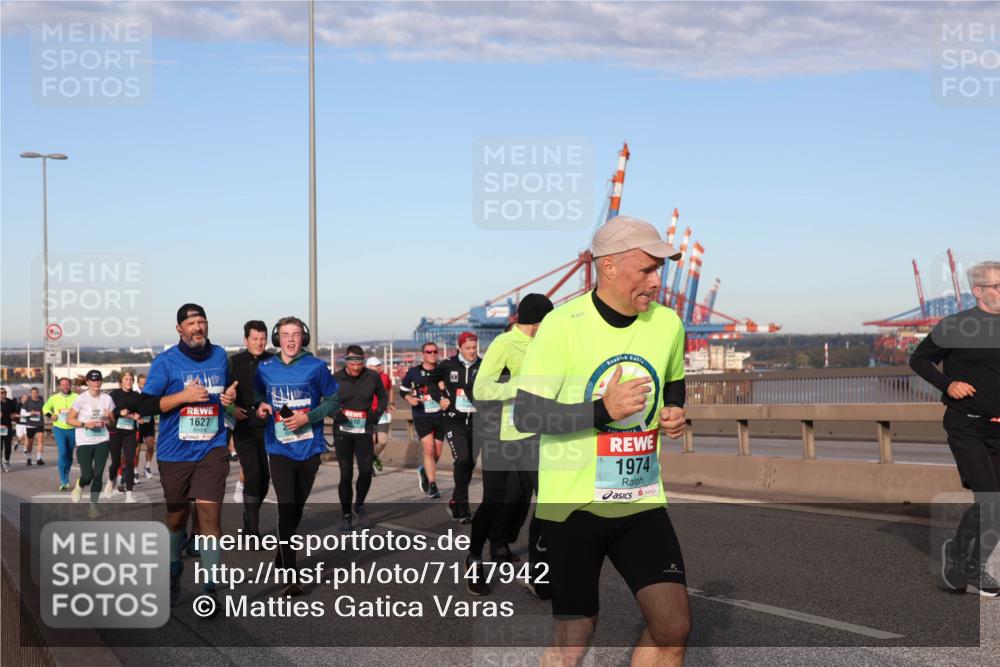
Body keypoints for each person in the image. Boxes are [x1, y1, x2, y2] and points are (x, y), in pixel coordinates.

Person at [512, 216, 690, 665]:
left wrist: (673, 411)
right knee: (574, 636)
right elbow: (527, 413)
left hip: (640, 498)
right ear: (608, 267)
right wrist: (601, 412)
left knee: (673, 627)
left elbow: (673, 380)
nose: (657, 280)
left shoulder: (667, 324)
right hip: (572, 505)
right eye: (647, 269)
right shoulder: (563, 325)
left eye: (659, 270)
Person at [138, 303, 238, 609]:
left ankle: (210, 588)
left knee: (210, 516)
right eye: (191, 323)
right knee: (177, 516)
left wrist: (231, 399)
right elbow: (146, 406)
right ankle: (172, 569)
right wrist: (184, 396)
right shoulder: (166, 362)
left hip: (212, 449)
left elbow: (230, 396)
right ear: (180, 329)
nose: (198, 327)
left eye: (202, 322)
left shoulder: (220, 356)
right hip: (174, 453)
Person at [910, 260, 1000, 597]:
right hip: (968, 426)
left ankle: (961, 556)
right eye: (998, 286)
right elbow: (919, 359)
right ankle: (970, 565)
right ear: (978, 291)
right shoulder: (957, 326)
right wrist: (947, 384)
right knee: (992, 500)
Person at [469, 293, 553, 592]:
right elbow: (481, 389)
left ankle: (539, 571)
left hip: (536, 434)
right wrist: (521, 385)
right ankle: (474, 560)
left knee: (548, 501)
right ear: (538, 322)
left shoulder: (547, 345)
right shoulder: (504, 344)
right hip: (501, 434)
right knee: (494, 502)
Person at [255, 316, 339, 595]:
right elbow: (257, 396)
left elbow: (333, 400)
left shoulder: (316, 367)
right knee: (286, 507)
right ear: (277, 339)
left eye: (295, 334)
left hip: (310, 447)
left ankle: (283, 547)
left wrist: (308, 417)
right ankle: (292, 575)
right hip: (279, 448)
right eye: (284, 334)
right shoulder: (265, 368)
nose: (290, 339)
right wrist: (260, 406)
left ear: (303, 337)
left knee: (298, 507)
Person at [333, 346, 388, 531]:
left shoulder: (372, 377)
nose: (356, 367)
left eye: (359, 363)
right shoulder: (336, 378)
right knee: (346, 473)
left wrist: (377, 414)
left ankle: (360, 505)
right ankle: (346, 514)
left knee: (365, 471)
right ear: (346, 362)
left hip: (364, 429)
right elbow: (325, 400)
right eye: (352, 363)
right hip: (343, 431)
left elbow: (382, 397)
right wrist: (334, 413)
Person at [229, 320, 273, 538]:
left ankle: (249, 515)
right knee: (253, 474)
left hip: (269, 427)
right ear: (246, 340)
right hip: (244, 427)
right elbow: (223, 392)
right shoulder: (234, 362)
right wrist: (231, 408)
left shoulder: (273, 361)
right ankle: (253, 532)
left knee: (265, 479)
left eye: (263, 339)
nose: (259, 343)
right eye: (255, 339)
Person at [438, 332, 481, 523]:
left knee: (470, 464)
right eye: (468, 348)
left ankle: (455, 499)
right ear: (460, 348)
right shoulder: (448, 365)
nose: (472, 352)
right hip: (454, 421)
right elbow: (429, 381)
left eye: (474, 348)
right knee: (462, 459)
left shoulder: (483, 366)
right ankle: (463, 506)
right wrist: (440, 397)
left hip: (476, 422)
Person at [400, 342, 445, 499]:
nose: (432, 354)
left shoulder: (442, 371)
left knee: (437, 453)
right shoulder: (414, 372)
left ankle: (424, 470)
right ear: (423, 354)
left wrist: (443, 387)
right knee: (429, 449)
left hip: (440, 415)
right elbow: (403, 390)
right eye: (428, 352)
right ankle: (433, 485)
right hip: (422, 415)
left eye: (434, 352)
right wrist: (409, 398)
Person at [66, 370, 115, 514]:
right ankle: (80, 484)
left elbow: (112, 423)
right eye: (93, 380)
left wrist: (109, 417)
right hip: (84, 441)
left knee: (98, 474)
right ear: (87, 382)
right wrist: (85, 424)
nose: (97, 383)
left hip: (102, 440)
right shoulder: (81, 399)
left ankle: (93, 506)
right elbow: (69, 419)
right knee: (87, 476)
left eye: (99, 380)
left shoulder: (107, 399)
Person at [106, 370, 143, 502]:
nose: (129, 381)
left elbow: (141, 412)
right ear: (121, 381)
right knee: (115, 463)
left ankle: (129, 495)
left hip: (130, 432)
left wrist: (138, 416)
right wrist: (119, 412)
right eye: (126, 379)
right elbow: (109, 412)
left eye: (131, 379)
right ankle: (111, 482)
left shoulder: (136, 396)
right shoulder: (114, 395)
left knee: (129, 462)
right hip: (115, 432)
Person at [42, 378, 78, 490]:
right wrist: (50, 415)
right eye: (63, 385)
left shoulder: (76, 397)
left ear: (70, 385)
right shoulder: (54, 398)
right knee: (62, 452)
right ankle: (63, 480)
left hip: (73, 428)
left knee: (69, 454)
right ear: (59, 386)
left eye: (67, 385)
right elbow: (45, 408)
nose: (65, 387)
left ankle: (66, 473)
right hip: (59, 428)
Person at [365, 356, 394, 473]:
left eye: (379, 365)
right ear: (369, 367)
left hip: (382, 413)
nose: (379, 367)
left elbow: (390, 388)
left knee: (382, 441)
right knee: (370, 441)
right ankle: (369, 466)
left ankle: (374, 457)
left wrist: (391, 402)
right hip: (368, 413)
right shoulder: (364, 377)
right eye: (376, 366)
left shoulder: (384, 377)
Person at [136, 373, 157, 479]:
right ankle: (135, 471)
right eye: (142, 384)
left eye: (145, 384)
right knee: (137, 449)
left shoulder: (151, 395)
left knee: (150, 445)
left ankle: (147, 466)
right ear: (138, 384)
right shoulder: (135, 395)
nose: (143, 386)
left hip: (149, 423)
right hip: (138, 424)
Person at [22, 386, 46, 465]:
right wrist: (29, 413)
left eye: (35, 393)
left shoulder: (41, 401)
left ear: (38, 393)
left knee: (40, 441)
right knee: (30, 443)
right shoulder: (27, 402)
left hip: (39, 424)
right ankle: (29, 458)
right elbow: (22, 413)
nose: (34, 394)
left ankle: (39, 458)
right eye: (32, 393)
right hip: (30, 425)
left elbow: (46, 410)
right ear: (30, 393)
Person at [1, 387, 17, 472]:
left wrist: (13, 415)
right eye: (2, 393)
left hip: (8, 427)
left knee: (8, 445)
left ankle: (6, 461)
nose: (3, 394)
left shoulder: (10, 402)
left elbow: (14, 412)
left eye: (5, 392)